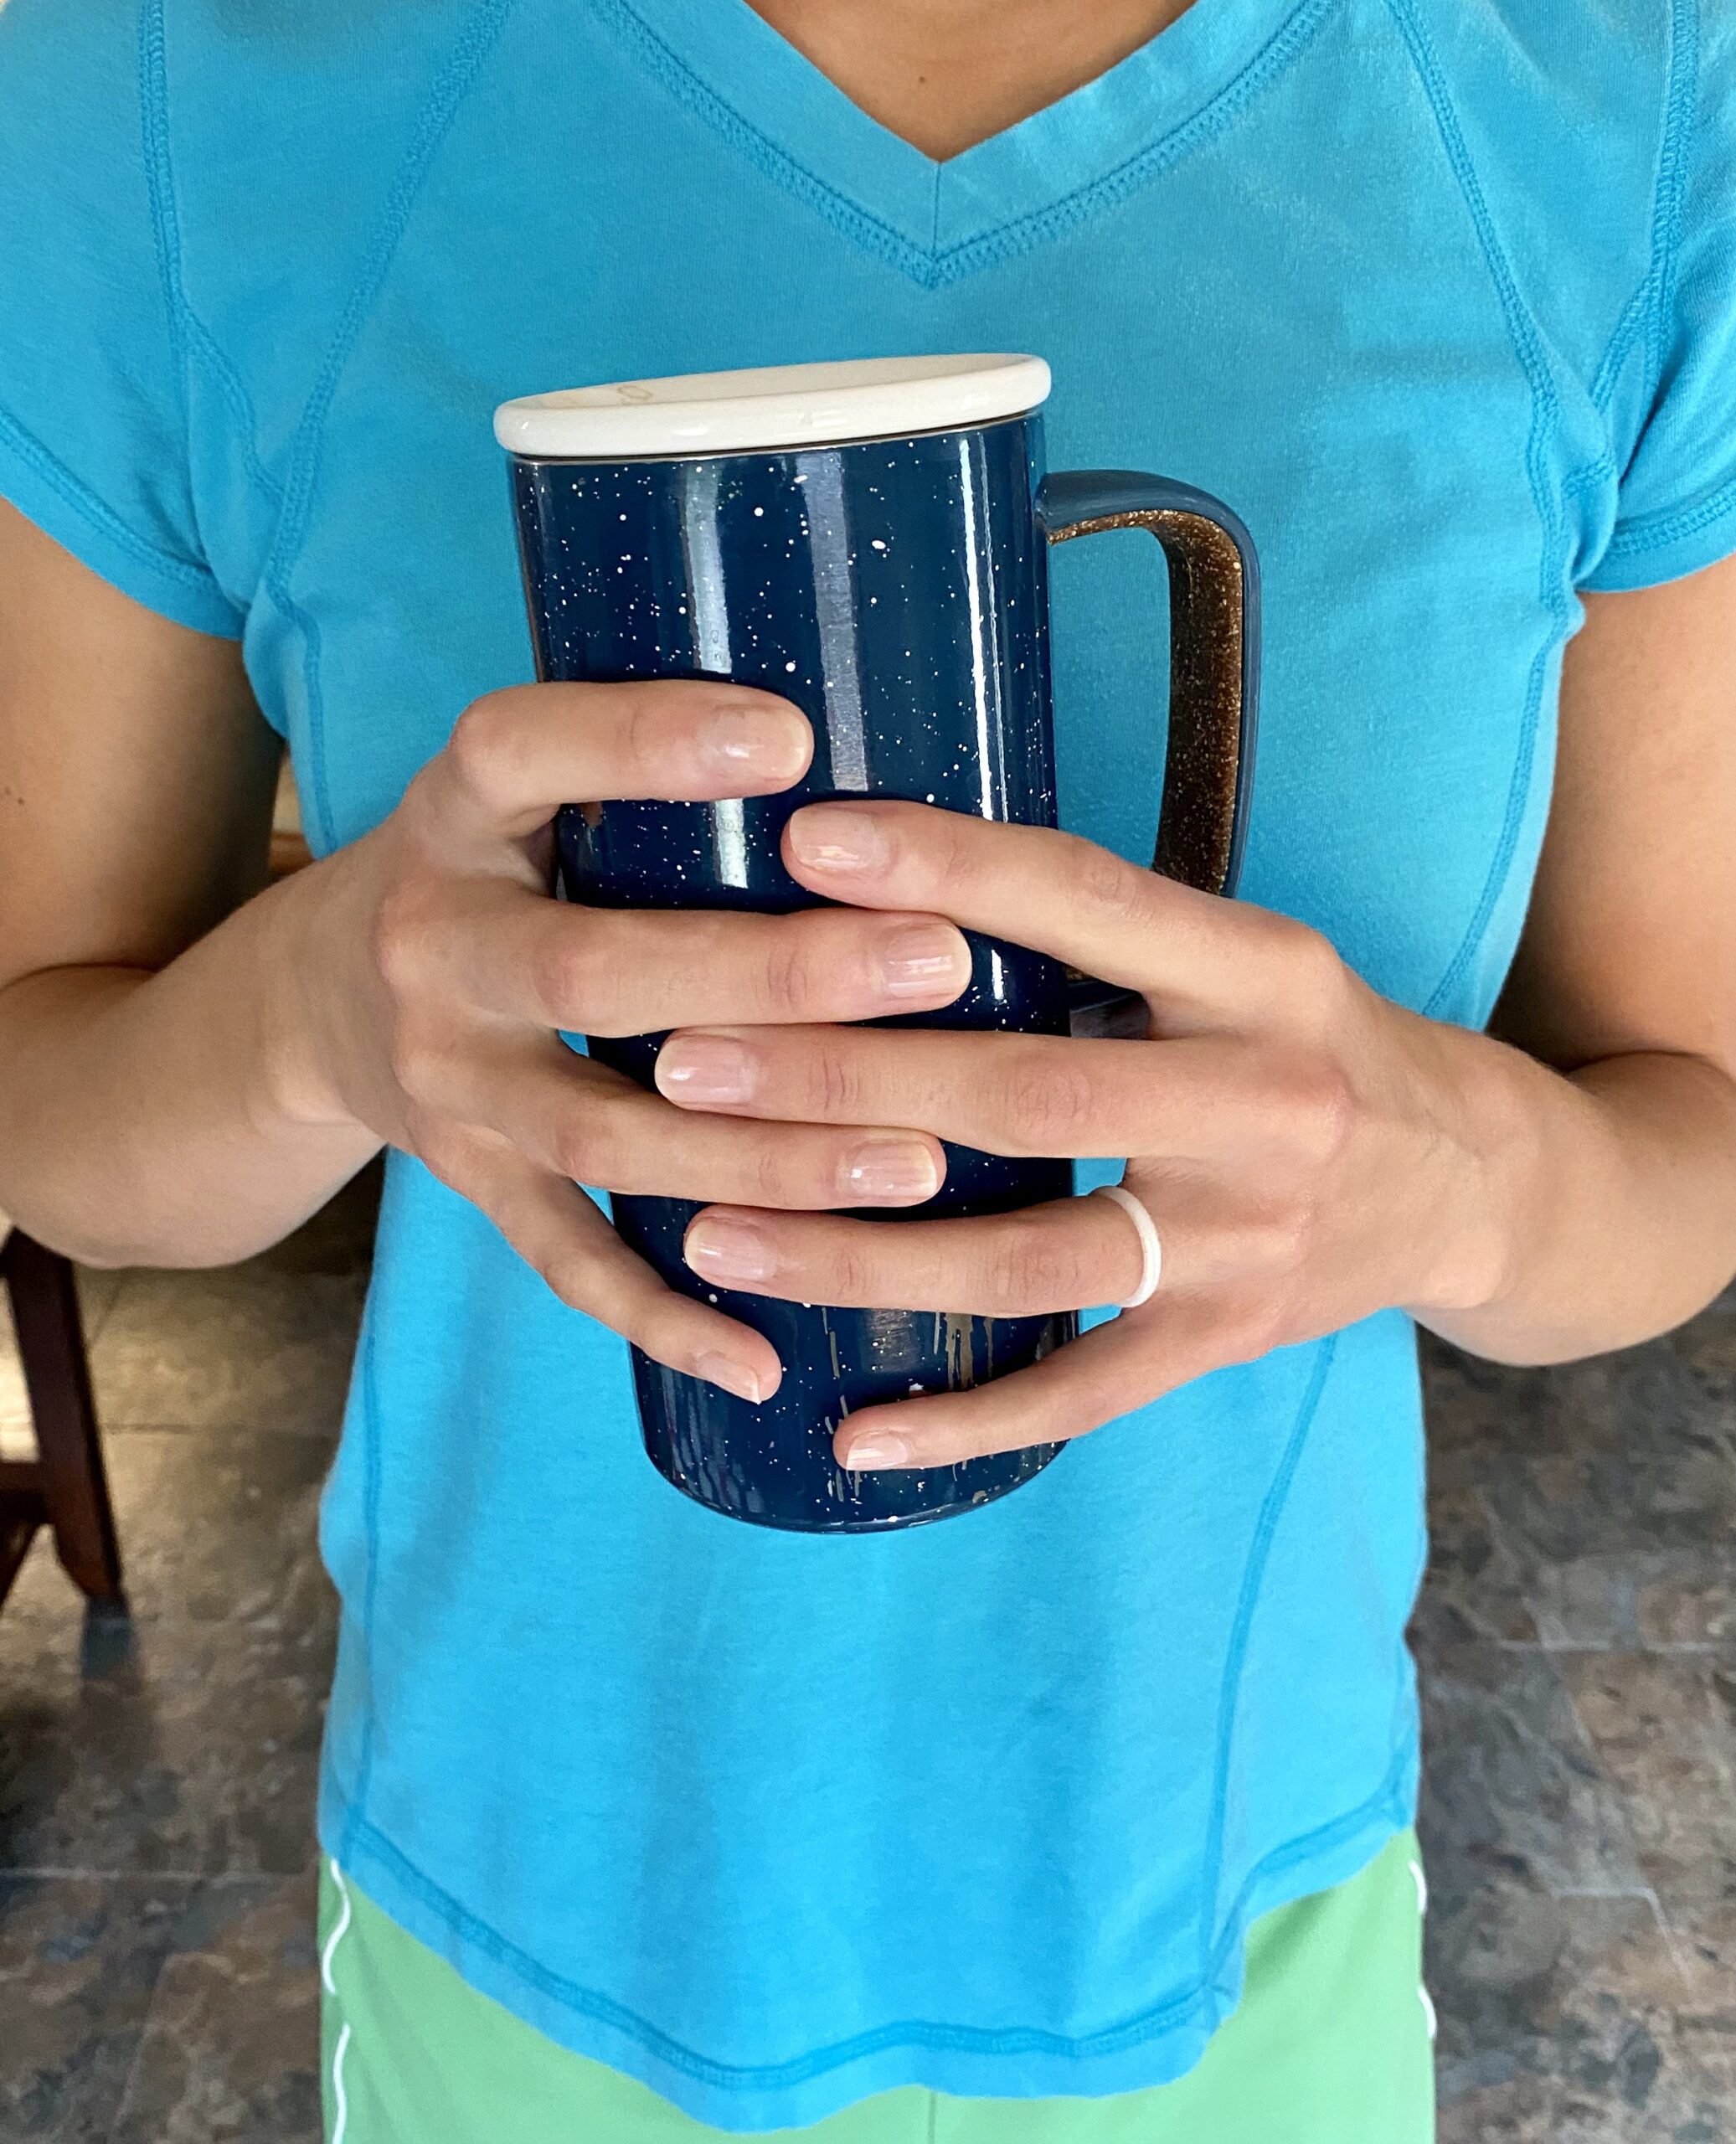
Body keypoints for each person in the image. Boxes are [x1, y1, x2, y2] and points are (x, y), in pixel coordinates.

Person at [2, 0, 1733, 2135]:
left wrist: (1452, 1172)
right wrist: (310, 1007)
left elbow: (1685, 1130)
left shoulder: (1639, 95)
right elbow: (43, 1095)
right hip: (525, 1909)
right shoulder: (169, 82)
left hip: (1237, 1892)